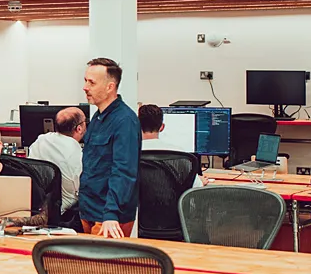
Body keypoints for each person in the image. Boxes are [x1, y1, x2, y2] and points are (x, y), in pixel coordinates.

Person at [78, 58, 139, 238]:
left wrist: (112, 212)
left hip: (108, 215)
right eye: (85, 80)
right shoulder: (98, 118)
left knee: (106, 266)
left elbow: (124, 171)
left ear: (110, 87)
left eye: (92, 82)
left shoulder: (124, 121)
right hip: (89, 210)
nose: (85, 87)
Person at [27, 107, 85, 216]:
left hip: (38, 208)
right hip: (66, 212)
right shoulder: (76, 154)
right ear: (79, 129)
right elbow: (80, 189)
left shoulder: (41, 140)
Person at [138, 104, 203, 188]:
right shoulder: (180, 154)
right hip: (172, 201)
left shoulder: (129, 152)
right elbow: (197, 187)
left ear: (138, 125)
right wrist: (200, 181)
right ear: (162, 127)